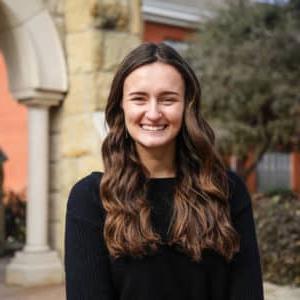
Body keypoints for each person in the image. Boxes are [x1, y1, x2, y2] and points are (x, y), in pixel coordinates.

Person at [64, 42, 264, 300]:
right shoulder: (91, 199)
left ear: (187, 107)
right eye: (139, 98)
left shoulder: (227, 191)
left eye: (168, 99)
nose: (154, 113)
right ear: (121, 106)